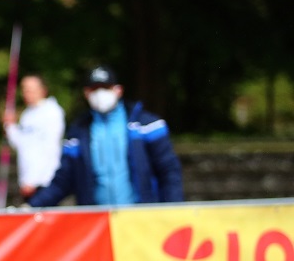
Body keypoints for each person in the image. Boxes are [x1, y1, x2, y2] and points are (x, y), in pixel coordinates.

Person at [29, 65, 184, 207]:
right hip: (98, 225)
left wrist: (173, 210)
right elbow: (63, 181)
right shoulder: (78, 133)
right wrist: (31, 206)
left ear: (118, 90)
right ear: (86, 94)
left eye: (105, 88)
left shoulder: (147, 125)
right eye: (94, 89)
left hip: (141, 220)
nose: (100, 94)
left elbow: (169, 171)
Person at [3, 74, 65, 203]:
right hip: (28, 181)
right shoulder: (28, 114)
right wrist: (10, 127)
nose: (26, 93)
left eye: (30, 90)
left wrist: (33, 180)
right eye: (24, 89)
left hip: (44, 181)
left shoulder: (51, 112)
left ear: (43, 90)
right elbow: (21, 144)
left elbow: (50, 149)